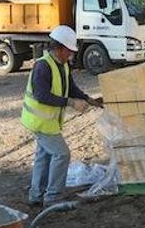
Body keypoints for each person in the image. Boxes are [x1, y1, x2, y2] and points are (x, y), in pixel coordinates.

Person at [20, 25, 102, 207]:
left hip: (47, 122)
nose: (71, 55)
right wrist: (71, 103)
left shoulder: (62, 64)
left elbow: (71, 87)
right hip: (40, 122)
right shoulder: (43, 66)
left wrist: (88, 99)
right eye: (70, 51)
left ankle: (36, 195)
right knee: (62, 154)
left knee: (44, 155)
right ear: (60, 48)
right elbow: (42, 95)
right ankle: (53, 197)